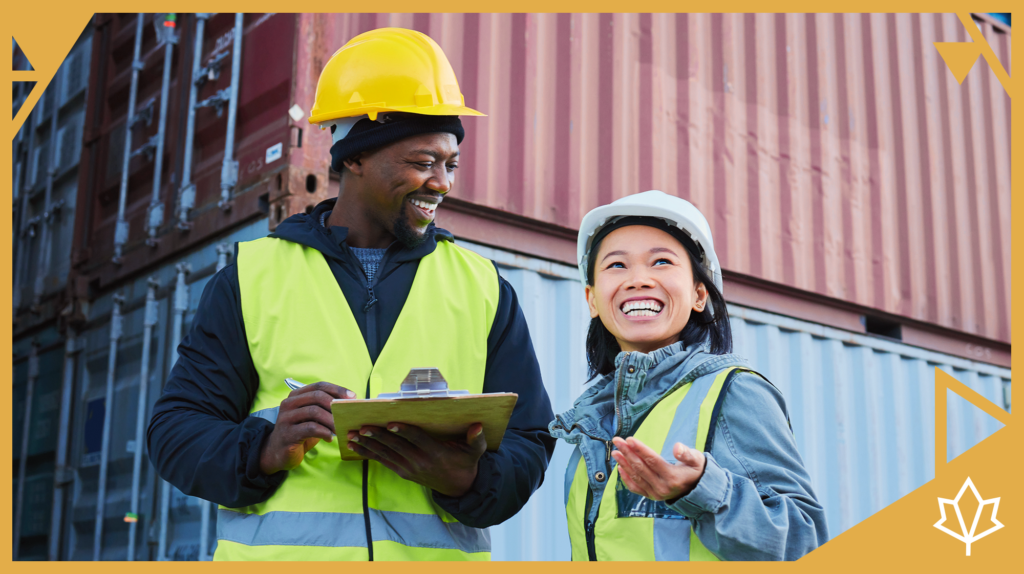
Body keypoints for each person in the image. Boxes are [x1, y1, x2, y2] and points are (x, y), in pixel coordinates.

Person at [147, 28, 555, 561]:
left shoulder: (482, 288)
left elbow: (532, 441)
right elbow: (176, 433)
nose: (443, 183)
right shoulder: (253, 277)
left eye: (450, 163)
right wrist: (267, 447)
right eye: (422, 161)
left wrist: (470, 477)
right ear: (356, 157)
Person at [550, 190, 828, 561]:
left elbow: (805, 542)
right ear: (592, 300)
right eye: (616, 265)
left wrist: (702, 490)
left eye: (661, 262)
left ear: (699, 295)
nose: (638, 279)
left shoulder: (734, 391)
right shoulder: (592, 421)